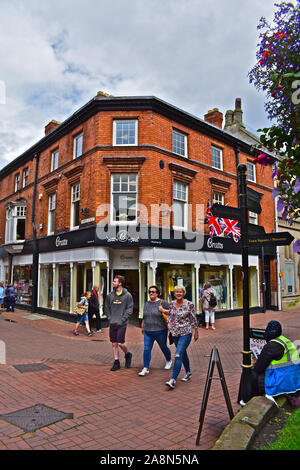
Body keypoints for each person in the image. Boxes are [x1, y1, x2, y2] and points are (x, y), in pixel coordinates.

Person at [251, 320, 300, 398]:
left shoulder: (271, 345)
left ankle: (251, 400)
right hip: (295, 382)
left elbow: (258, 368)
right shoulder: (286, 341)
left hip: (282, 384)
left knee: (252, 374)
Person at [165, 285, 198, 389]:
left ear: (183, 293)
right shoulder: (171, 304)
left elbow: (193, 318)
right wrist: (169, 328)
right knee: (182, 353)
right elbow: (169, 316)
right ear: (174, 294)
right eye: (176, 292)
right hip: (175, 333)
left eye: (180, 292)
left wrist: (196, 331)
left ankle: (173, 379)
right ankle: (188, 373)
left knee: (178, 354)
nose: (178, 293)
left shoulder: (189, 304)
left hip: (186, 332)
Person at [138, 285, 172, 376]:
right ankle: (145, 368)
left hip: (160, 330)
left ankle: (169, 360)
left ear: (157, 293)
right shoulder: (146, 303)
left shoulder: (162, 302)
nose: (151, 293)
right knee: (146, 348)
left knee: (163, 347)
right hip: (148, 330)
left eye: (153, 292)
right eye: (149, 292)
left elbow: (171, 313)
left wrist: (163, 310)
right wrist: (143, 325)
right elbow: (145, 315)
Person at [104, 275, 133, 371]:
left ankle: (128, 354)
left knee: (120, 343)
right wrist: (109, 317)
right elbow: (106, 307)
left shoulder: (127, 295)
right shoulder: (110, 295)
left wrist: (123, 319)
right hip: (112, 323)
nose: (113, 283)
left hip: (122, 323)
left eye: (115, 281)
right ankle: (116, 362)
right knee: (114, 343)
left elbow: (129, 309)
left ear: (120, 283)